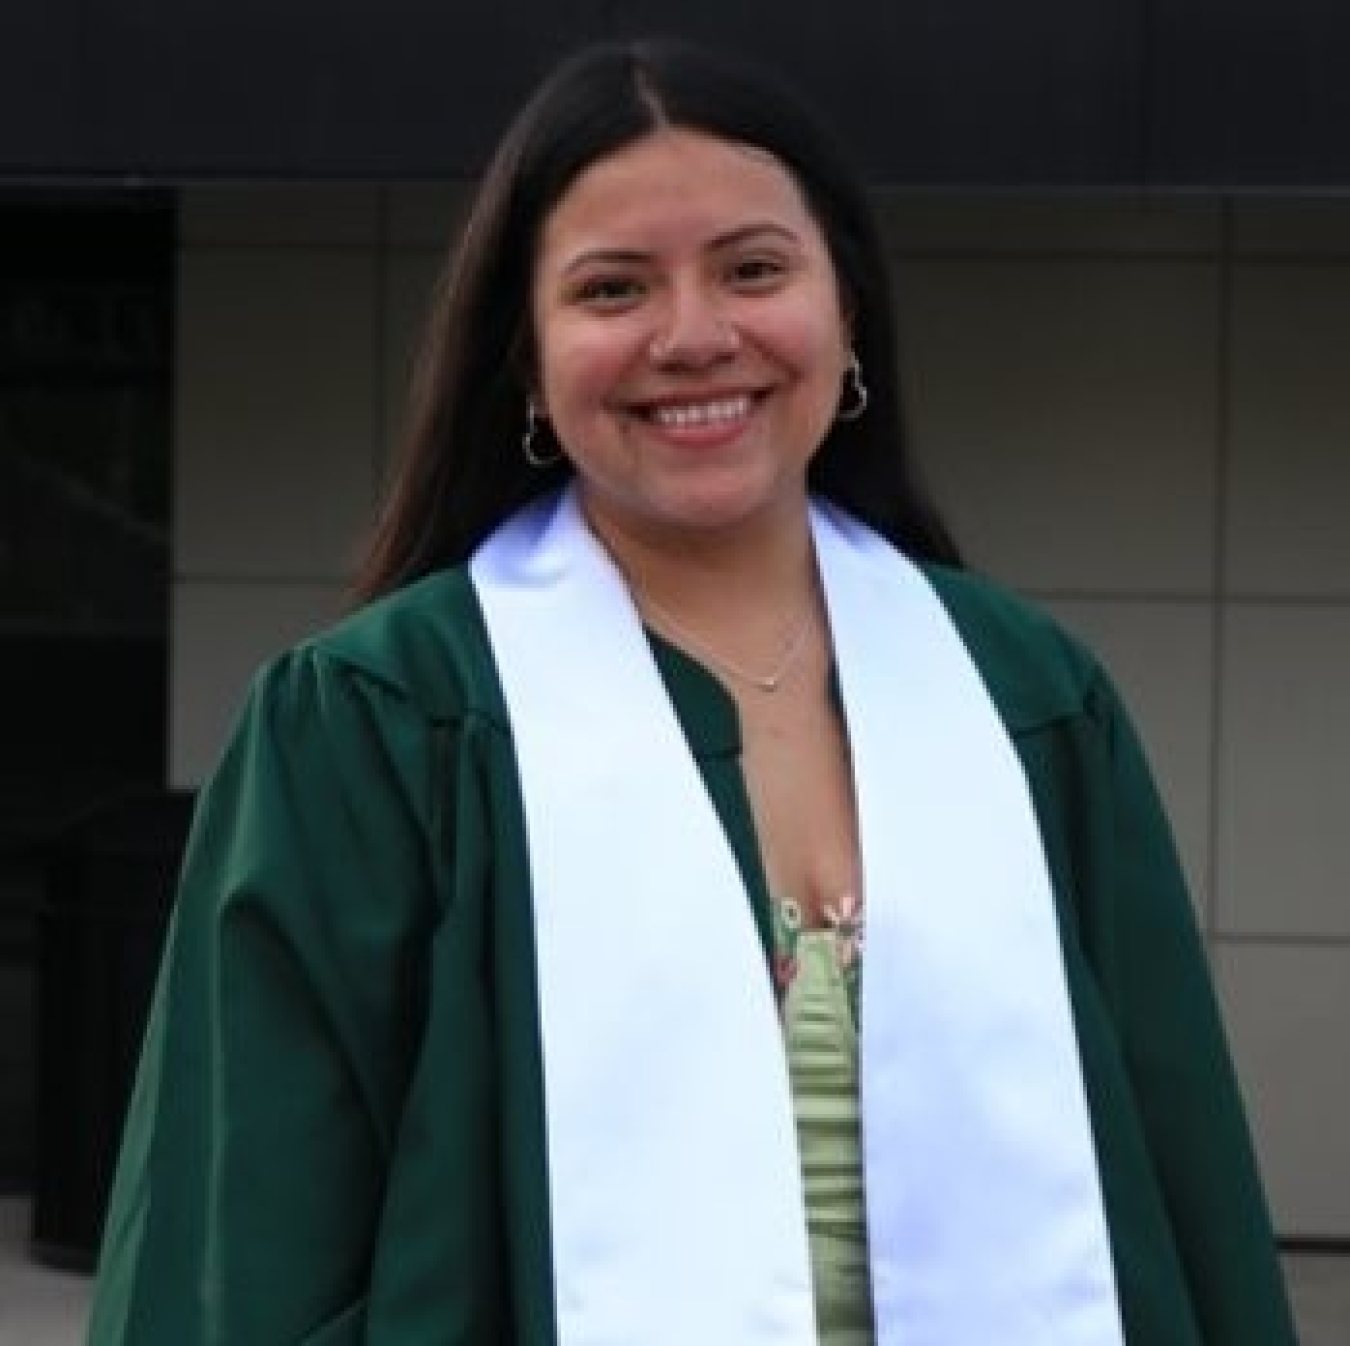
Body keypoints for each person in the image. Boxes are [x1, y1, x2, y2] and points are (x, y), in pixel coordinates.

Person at [87, 38, 1297, 1346]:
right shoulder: (376, 726)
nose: (694, 335)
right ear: (527, 357)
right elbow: (245, 1248)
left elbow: (1183, 1198)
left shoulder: (1028, 703)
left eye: (753, 268)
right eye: (612, 288)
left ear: (847, 313)